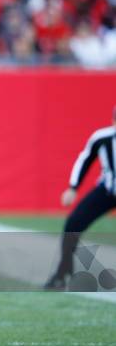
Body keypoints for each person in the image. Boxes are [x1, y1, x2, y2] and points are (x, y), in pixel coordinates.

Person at [45, 106, 116, 289]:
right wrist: (73, 187)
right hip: (107, 191)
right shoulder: (102, 138)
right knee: (73, 224)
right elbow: (85, 159)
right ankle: (63, 273)